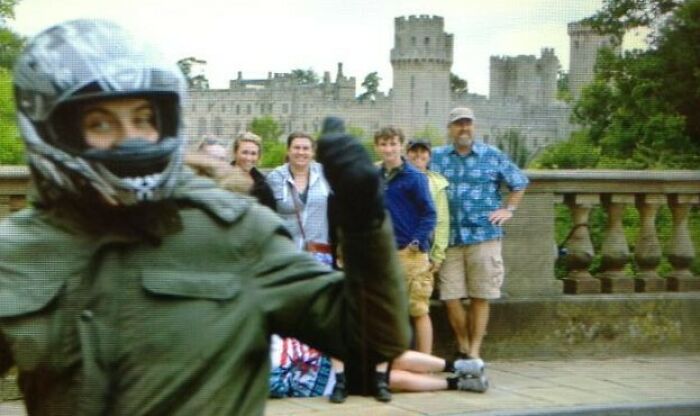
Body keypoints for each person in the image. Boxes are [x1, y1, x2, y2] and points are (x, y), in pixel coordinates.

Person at [1, 19, 409, 415]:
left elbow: (371, 340)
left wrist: (364, 223)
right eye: (101, 122)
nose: (131, 137)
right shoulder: (18, 252)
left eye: (144, 117)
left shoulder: (234, 231)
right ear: (55, 131)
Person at [431, 107, 529, 382]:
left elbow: (519, 181)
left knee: (480, 295)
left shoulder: (491, 155)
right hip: (449, 239)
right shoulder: (437, 157)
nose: (463, 128)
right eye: (458, 124)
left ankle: (473, 352)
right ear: (450, 129)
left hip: (484, 236)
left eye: (467, 124)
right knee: (450, 297)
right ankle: (462, 344)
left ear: (474, 127)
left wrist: (509, 209)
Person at [371, 126, 437, 402]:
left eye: (393, 144)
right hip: (383, 254)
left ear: (401, 146)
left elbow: (429, 213)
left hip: (409, 253)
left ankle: (427, 367)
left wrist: (417, 241)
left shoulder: (414, 176)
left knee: (418, 309)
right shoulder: (374, 177)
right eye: (383, 144)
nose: (388, 149)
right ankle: (392, 365)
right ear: (377, 147)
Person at [268, 335, 488, 399]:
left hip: (330, 352)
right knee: (393, 379)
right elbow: (278, 387)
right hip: (324, 381)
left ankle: (458, 365)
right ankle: (457, 382)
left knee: (392, 358)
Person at [266, 132, 331, 264]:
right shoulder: (275, 178)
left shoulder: (326, 174)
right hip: (285, 254)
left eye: (306, 148)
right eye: (296, 147)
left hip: (318, 254)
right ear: (288, 150)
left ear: (313, 152)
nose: (301, 152)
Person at [405, 139, 450, 275]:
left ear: (429, 156)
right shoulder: (395, 177)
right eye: (414, 151)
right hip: (397, 245)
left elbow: (442, 221)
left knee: (419, 292)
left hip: (423, 246)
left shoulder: (437, 183)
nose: (419, 155)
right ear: (407, 154)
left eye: (423, 151)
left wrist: (438, 255)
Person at [229, 132, 276, 210]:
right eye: (244, 152)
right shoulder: (221, 180)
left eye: (253, 154)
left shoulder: (263, 187)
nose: (248, 158)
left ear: (258, 156)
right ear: (235, 153)